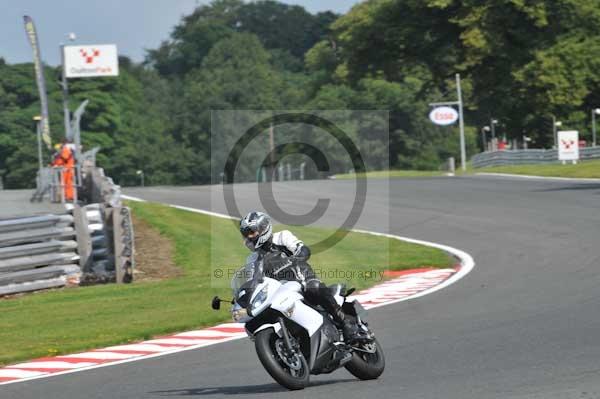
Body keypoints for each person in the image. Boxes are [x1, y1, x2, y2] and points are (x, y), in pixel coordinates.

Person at [239, 211, 369, 343]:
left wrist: (297, 256)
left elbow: (302, 249)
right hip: (280, 291)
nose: (249, 237)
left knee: (314, 287)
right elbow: (253, 282)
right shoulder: (252, 259)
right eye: (246, 234)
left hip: (301, 277)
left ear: (263, 228)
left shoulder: (282, 237)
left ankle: (346, 323)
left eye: (251, 232)